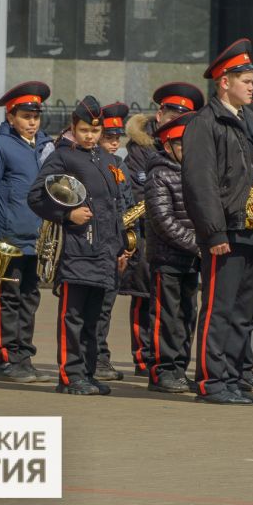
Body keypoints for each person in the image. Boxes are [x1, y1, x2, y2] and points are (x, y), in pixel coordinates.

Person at [182, 38, 253, 405]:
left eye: (252, 79)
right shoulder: (204, 123)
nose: (252, 85)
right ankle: (211, 381)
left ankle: (235, 377)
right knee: (219, 309)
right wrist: (214, 231)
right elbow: (199, 183)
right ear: (224, 81)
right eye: (245, 79)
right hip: (227, 231)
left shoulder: (251, 121)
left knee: (243, 312)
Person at [28, 96, 127, 395]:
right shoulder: (63, 157)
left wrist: (123, 245)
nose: (90, 136)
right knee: (73, 316)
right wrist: (67, 214)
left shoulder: (109, 160)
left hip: (105, 251)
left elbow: (115, 205)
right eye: (85, 130)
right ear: (74, 127)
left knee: (94, 317)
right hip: (77, 249)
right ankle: (70, 375)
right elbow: (35, 197)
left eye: (95, 132)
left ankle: (87, 370)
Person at [124, 82, 204, 376]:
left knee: (181, 311)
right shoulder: (142, 151)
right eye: (172, 116)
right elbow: (139, 196)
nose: (178, 123)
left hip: (183, 244)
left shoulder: (190, 152)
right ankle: (148, 358)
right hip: (151, 237)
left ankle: (172, 364)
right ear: (160, 114)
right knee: (149, 302)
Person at [0, 81, 55, 384]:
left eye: (35, 116)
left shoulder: (44, 148)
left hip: (36, 240)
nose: (32, 122)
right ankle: (6, 359)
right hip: (8, 241)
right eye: (25, 116)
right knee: (8, 299)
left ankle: (24, 356)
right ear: (10, 117)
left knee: (29, 298)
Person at [139, 111, 200, 392]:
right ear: (168, 146)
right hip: (167, 259)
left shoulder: (193, 174)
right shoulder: (158, 174)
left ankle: (178, 368)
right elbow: (164, 221)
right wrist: (198, 245)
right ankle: (162, 370)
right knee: (167, 317)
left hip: (190, 260)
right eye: (181, 145)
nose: (187, 151)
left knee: (188, 315)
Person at [94, 102, 135, 381]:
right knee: (92, 306)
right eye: (108, 137)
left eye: (116, 138)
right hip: (94, 244)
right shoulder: (91, 162)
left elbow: (129, 204)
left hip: (116, 245)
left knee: (106, 306)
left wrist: (127, 246)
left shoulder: (120, 165)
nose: (113, 142)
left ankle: (101, 356)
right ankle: (92, 357)